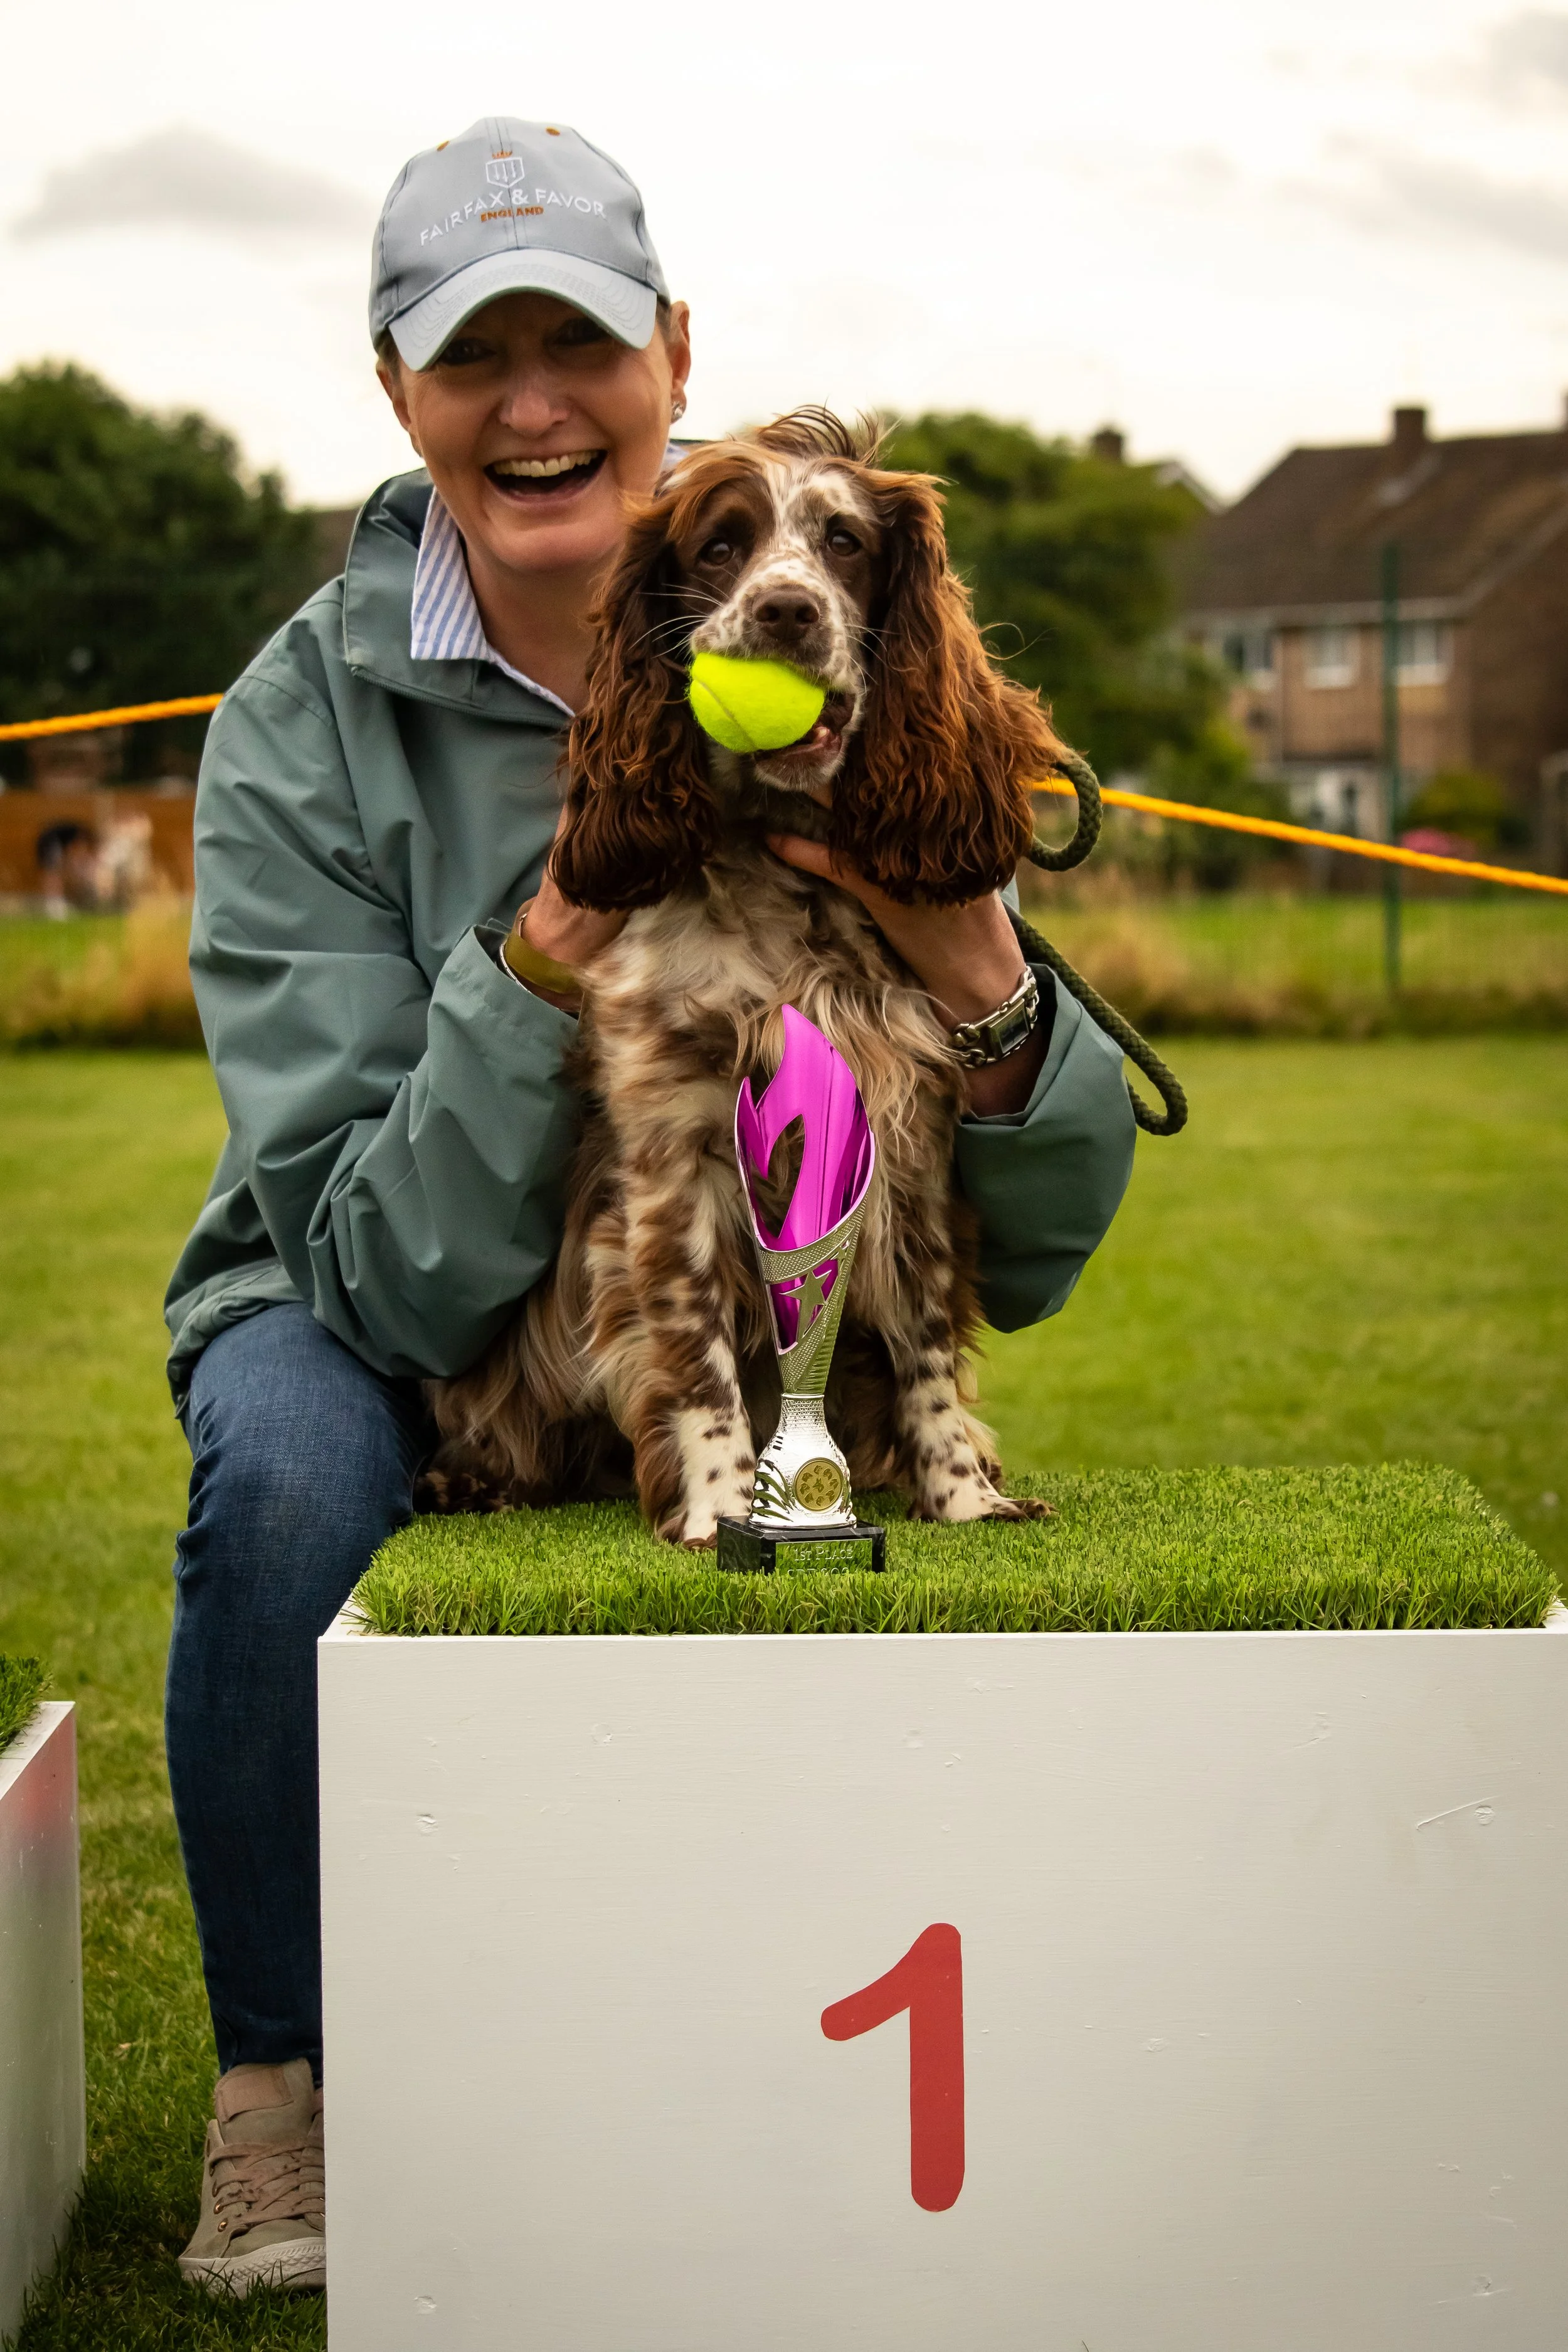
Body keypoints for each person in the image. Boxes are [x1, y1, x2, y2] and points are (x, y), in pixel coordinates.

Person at [162, 114, 1138, 2298]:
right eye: (469, 353)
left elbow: (1040, 1245)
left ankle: (776, 2041)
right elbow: (380, 1266)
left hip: (731, 1286)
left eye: (578, 340)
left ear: (668, 348)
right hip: (353, 1275)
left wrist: (980, 967)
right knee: (295, 1468)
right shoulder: (294, 729)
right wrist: (551, 944)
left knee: (845, 1426)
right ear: (397, 394)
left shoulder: (811, 602)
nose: (530, 400)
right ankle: (278, 2086)